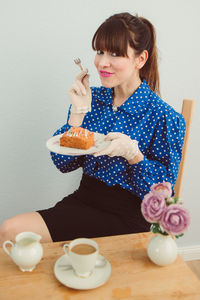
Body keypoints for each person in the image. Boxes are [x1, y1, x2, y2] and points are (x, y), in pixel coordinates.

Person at [0, 12, 185, 244]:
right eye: (100, 51)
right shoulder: (92, 100)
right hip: (85, 201)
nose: (102, 62)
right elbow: (63, 164)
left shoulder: (165, 117)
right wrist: (76, 116)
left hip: (130, 215)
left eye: (115, 54)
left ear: (140, 59)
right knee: (9, 231)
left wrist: (134, 155)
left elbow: (164, 194)